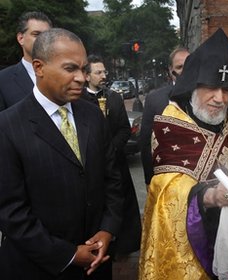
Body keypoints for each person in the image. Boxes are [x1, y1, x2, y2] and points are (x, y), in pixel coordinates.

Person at [0, 28, 124, 279]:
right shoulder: (8, 126)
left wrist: (107, 231)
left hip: (97, 262)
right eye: (70, 69)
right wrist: (67, 254)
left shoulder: (92, 115)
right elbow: (11, 212)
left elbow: (113, 179)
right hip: (37, 268)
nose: (81, 77)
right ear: (39, 67)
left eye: (83, 68)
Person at [138, 28, 228, 279]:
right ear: (194, 83)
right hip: (189, 240)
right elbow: (165, 187)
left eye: (227, 90)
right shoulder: (170, 123)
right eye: (212, 88)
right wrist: (212, 196)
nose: (220, 98)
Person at [81, 55, 142, 269]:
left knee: (122, 203)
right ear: (87, 75)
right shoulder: (78, 100)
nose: (103, 75)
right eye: (98, 72)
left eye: (104, 72)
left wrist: (112, 150)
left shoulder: (114, 97)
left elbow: (125, 129)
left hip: (116, 162)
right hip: (90, 165)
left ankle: (124, 247)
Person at [140, 47, 190, 186]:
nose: (184, 71)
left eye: (188, 66)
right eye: (179, 67)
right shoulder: (154, 99)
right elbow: (145, 142)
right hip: (166, 179)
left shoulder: (206, 96)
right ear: (170, 69)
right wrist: (149, 180)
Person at [0, 11, 52, 111]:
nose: (43, 40)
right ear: (20, 38)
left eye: (47, 35)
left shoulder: (65, 75)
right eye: (36, 34)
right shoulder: (2, 80)